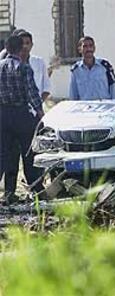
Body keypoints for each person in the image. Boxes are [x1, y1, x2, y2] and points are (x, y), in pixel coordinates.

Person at [0, 35, 45, 203]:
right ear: (21, 49)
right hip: (21, 114)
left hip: (3, 115)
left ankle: (9, 192)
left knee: (4, 154)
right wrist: (41, 114)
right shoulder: (24, 68)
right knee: (29, 153)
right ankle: (36, 189)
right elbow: (32, 93)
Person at [69, 36, 115, 100]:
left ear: (94, 48)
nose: (88, 49)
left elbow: (113, 88)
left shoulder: (105, 66)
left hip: (103, 107)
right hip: (85, 108)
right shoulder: (76, 70)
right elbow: (73, 94)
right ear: (79, 49)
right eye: (85, 46)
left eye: (91, 46)